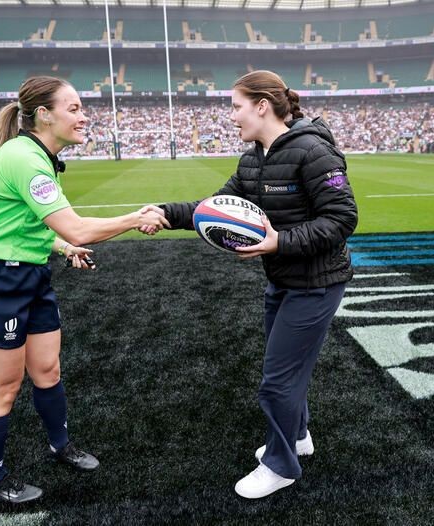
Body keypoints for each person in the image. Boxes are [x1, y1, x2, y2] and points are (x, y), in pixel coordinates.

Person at [0, 76, 168, 504]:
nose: (83, 116)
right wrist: (136, 217)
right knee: (3, 389)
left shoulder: (39, 157)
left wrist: (65, 247)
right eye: (74, 108)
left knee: (47, 370)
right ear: (44, 115)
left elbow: (29, 226)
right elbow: (77, 226)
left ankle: (59, 444)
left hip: (28, 276)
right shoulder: (25, 157)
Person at [149, 70, 357, 499]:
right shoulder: (252, 159)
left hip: (317, 283)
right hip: (282, 279)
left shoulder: (313, 150)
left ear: (262, 105)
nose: (232, 117)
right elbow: (212, 208)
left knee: (277, 381)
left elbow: (342, 219)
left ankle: (280, 466)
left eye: (236, 106)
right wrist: (164, 212)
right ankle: (298, 438)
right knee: (287, 371)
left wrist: (279, 241)